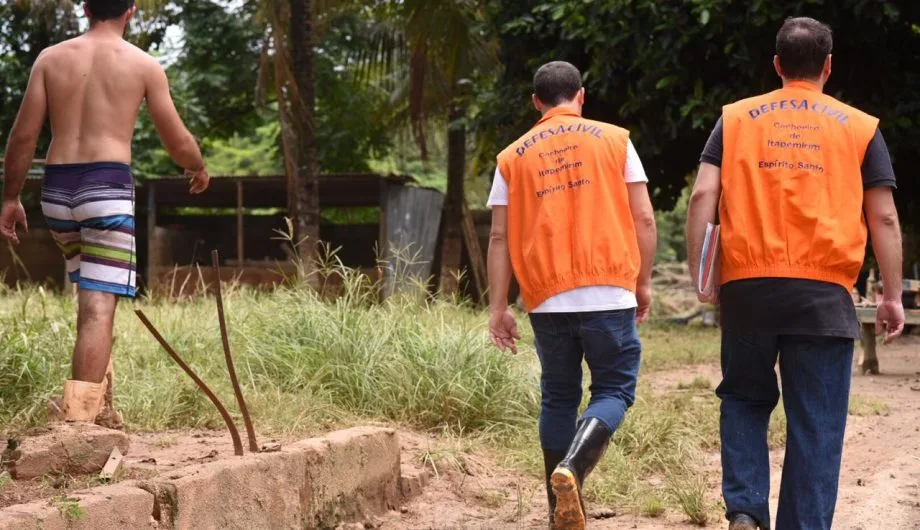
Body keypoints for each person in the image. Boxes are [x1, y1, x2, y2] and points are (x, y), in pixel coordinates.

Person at [686, 17, 905, 530]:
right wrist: (892, 295)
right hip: (823, 298)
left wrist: (706, 275)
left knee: (743, 397)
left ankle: (744, 509)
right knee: (817, 425)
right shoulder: (860, 126)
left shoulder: (735, 119)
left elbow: (702, 196)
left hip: (748, 290)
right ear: (828, 66)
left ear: (777, 65)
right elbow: (885, 216)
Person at [0, 0, 209, 428]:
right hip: (106, 187)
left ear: (85, 8)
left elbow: (23, 136)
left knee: (91, 290)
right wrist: (197, 165)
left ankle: (102, 406)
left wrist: (10, 197)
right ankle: (79, 424)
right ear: (131, 11)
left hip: (57, 191)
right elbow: (176, 140)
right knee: (98, 306)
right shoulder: (143, 64)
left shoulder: (50, 59)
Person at [487, 61, 657, 530]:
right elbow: (644, 219)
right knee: (615, 389)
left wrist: (498, 307)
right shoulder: (616, 140)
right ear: (581, 96)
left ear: (536, 102)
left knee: (558, 396)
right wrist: (642, 283)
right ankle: (574, 471)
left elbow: (499, 238)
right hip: (609, 288)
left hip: (546, 295)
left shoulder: (511, 157)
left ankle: (556, 508)